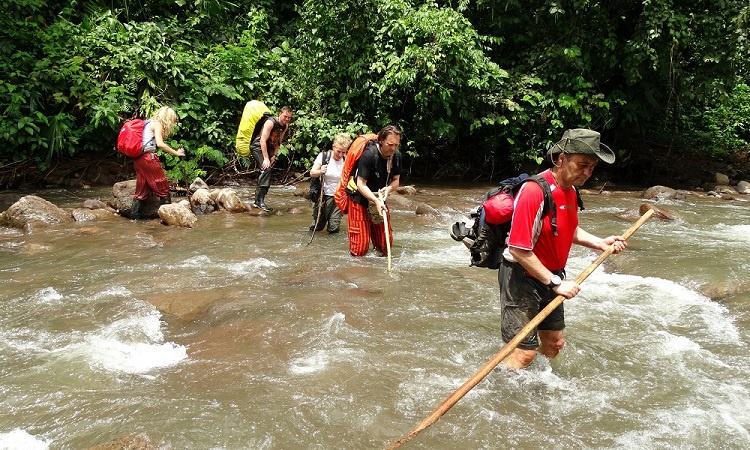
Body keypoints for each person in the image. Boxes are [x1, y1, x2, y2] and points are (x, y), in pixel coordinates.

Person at [500, 128, 627, 369]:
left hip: (552, 275)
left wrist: (599, 242)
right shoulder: (534, 191)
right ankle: (504, 389)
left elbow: (568, 228)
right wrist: (555, 283)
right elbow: (518, 248)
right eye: (582, 164)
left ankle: (531, 382)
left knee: (554, 344)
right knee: (523, 353)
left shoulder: (570, 191)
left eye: (592, 167)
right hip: (522, 278)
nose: (587, 173)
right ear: (561, 159)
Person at [347, 125, 402, 257]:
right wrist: (375, 200)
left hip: (380, 199)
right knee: (360, 249)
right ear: (381, 141)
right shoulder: (369, 155)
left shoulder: (397, 156)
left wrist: (388, 189)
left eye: (396, 145)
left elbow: (396, 180)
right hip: (359, 199)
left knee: (384, 245)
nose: (393, 148)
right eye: (390, 144)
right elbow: (361, 184)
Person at [131, 106, 185, 220]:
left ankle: (134, 220)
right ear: (167, 118)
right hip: (148, 159)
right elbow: (160, 144)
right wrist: (176, 153)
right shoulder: (157, 124)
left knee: (141, 190)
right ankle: (168, 218)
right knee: (163, 186)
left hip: (138, 159)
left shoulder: (147, 123)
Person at [251, 106, 293, 212]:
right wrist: (266, 158)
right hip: (257, 146)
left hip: (269, 148)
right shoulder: (270, 122)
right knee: (266, 169)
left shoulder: (285, 127)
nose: (287, 119)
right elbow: (262, 141)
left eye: (289, 117)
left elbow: (278, 142)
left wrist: (274, 155)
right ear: (280, 114)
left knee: (266, 171)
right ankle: (258, 202)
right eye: (285, 116)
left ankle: (258, 200)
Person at [309, 133, 353, 233]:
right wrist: (320, 171)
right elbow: (312, 173)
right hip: (323, 197)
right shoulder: (324, 157)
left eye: (343, 152)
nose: (340, 155)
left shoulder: (346, 160)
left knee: (334, 227)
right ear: (334, 146)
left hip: (339, 198)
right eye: (338, 151)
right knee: (318, 226)